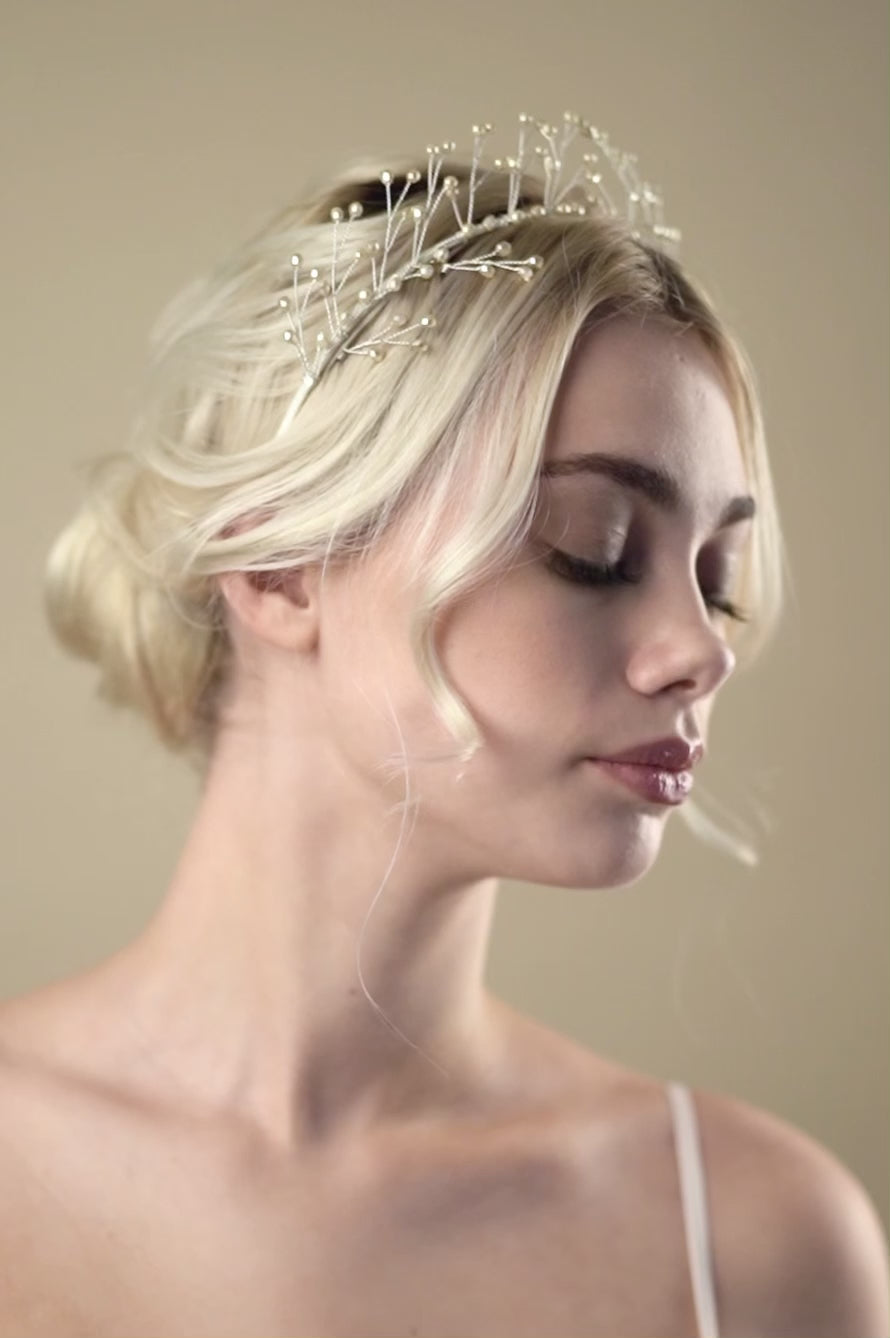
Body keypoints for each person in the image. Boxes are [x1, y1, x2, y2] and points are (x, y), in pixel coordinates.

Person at [1, 115, 887, 1337]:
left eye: (717, 572)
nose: (701, 649)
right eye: (594, 551)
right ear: (278, 567)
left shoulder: (754, 1249)